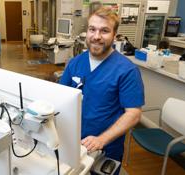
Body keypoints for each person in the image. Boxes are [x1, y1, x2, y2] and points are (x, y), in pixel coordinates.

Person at [59, 7, 144, 174]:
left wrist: (101, 139)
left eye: (104, 31)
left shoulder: (126, 70)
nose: (96, 36)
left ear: (114, 35)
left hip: (105, 148)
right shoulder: (75, 63)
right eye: (92, 29)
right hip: (74, 142)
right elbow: (61, 95)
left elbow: (133, 114)